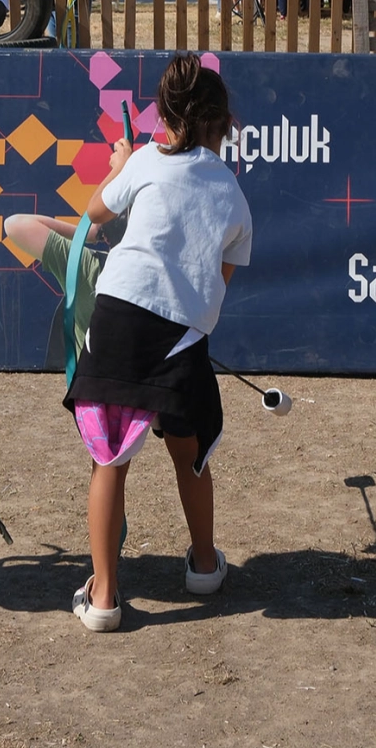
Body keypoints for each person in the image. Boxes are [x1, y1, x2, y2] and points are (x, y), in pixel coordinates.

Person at [63, 54, 253, 632]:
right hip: (181, 338)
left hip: (120, 317)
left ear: (166, 117)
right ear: (222, 125)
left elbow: (95, 213)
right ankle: (202, 563)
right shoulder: (234, 197)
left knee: (109, 462)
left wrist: (120, 166)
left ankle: (103, 598)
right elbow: (215, 285)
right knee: (188, 455)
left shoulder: (143, 159)